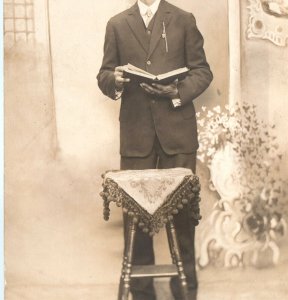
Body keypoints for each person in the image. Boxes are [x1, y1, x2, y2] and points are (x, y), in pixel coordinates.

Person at [97, 0, 213, 299]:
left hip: (178, 132)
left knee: (184, 218)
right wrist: (116, 80)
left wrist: (176, 91)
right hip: (137, 134)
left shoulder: (184, 19)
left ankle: (185, 292)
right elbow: (104, 75)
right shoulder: (117, 23)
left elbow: (202, 71)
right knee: (136, 217)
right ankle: (142, 293)